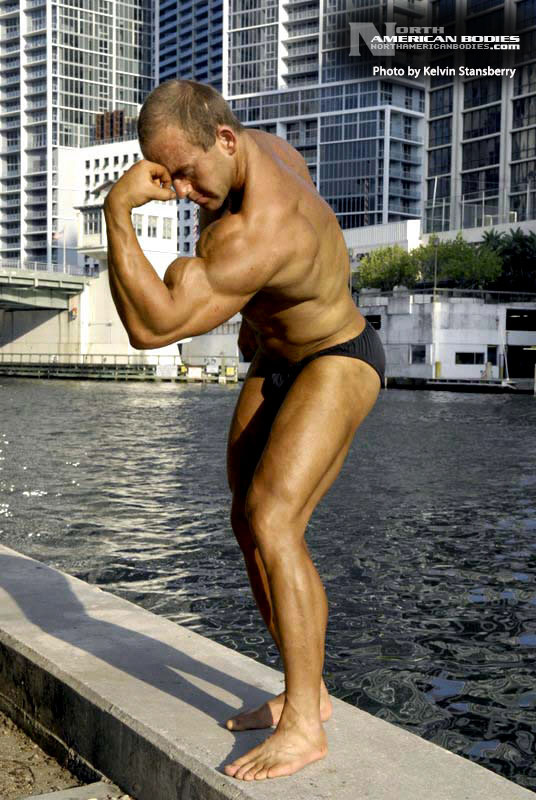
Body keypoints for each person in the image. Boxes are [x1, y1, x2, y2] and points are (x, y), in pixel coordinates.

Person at [103, 79, 385, 782]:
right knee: (246, 517)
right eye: (168, 177)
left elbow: (151, 328)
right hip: (278, 355)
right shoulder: (260, 149)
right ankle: (307, 690)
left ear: (224, 140)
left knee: (274, 518)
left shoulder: (255, 230)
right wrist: (265, 308)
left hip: (338, 357)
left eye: (187, 173)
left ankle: (304, 727)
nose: (182, 192)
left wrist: (118, 212)